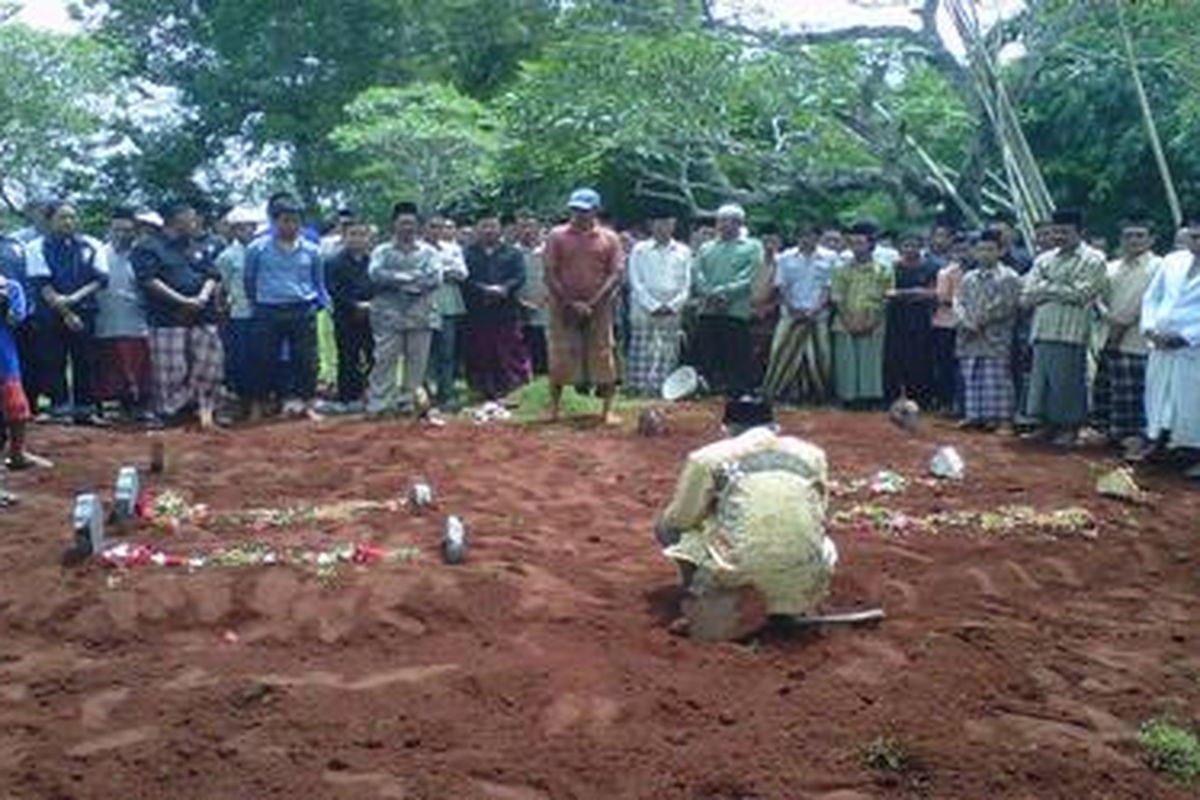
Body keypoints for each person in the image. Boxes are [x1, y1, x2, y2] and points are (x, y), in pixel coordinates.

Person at [654, 396, 836, 641]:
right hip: (804, 578)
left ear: (727, 428)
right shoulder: (813, 455)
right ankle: (793, 602)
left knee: (666, 527)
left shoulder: (707, 458)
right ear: (775, 427)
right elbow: (820, 514)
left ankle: (705, 601)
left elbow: (680, 520)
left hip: (736, 577)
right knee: (822, 541)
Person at [131, 201, 223, 429]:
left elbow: (212, 274)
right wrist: (182, 301)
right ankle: (170, 411)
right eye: (190, 217)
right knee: (172, 368)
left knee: (208, 363)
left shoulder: (199, 245)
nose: (195, 222)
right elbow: (149, 280)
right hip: (167, 317)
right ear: (175, 219)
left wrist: (201, 297)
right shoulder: (148, 247)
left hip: (203, 314)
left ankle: (204, 408)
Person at [1020, 208, 1108, 447]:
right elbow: (1026, 296)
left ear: (1081, 232)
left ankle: (1069, 427)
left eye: (1065, 232)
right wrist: (1061, 288)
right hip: (1042, 328)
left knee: (1067, 382)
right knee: (1042, 381)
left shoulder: (1093, 259)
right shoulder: (1043, 259)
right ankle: (1045, 425)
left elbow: (1083, 294)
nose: (1059, 237)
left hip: (1071, 331)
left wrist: (1047, 288)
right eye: (1056, 231)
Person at [542, 188, 625, 424]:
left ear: (595, 211)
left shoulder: (610, 238)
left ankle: (606, 410)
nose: (578, 215)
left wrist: (592, 303)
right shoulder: (556, 236)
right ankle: (554, 409)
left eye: (584, 211)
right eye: (575, 210)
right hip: (562, 307)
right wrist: (570, 303)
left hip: (599, 308)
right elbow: (549, 272)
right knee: (560, 353)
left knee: (603, 354)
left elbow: (615, 274)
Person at [24, 201, 109, 425]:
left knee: (86, 360)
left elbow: (100, 280)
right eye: (62, 217)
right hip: (50, 313)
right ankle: (59, 407)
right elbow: (42, 284)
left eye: (72, 217)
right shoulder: (35, 246)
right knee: (53, 360)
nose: (68, 222)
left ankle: (86, 409)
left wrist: (74, 299)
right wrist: (66, 312)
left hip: (85, 311)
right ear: (50, 220)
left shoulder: (92, 245)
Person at [244, 195, 328, 421]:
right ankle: (259, 404)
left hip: (302, 309)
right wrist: (259, 302)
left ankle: (307, 403)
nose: (291, 226)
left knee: (307, 360)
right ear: (274, 221)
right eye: (285, 220)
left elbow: (317, 280)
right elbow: (249, 280)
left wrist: (318, 304)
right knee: (262, 359)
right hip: (268, 309)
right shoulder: (256, 249)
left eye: (295, 221)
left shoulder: (312, 250)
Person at [1092, 219, 1161, 457]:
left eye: (1140, 235)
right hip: (1108, 337)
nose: (1133, 240)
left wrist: (1118, 327)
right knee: (1110, 389)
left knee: (1134, 395)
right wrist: (1108, 319)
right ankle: (1112, 433)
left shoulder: (1158, 267)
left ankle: (1136, 438)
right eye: (1128, 236)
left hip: (1137, 341)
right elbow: (1098, 297)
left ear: (1152, 239)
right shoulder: (1111, 267)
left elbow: (1140, 304)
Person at [1139, 216, 1200, 478]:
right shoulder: (1173, 261)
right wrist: (1150, 328)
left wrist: (1186, 336)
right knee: (1160, 398)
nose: (1197, 242)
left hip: (1192, 347)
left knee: (1193, 402)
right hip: (1161, 343)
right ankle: (1160, 443)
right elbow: (1152, 297)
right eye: (1195, 236)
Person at [366, 201, 441, 416]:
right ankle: (380, 404)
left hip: (420, 314)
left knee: (417, 361)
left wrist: (396, 279)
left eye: (411, 223)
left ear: (418, 225)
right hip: (388, 315)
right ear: (394, 225)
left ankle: (409, 403)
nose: (407, 227)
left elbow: (435, 278)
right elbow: (375, 274)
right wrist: (410, 278)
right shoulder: (381, 251)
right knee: (384, 360)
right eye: (403, 223)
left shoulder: (429, 252)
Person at [954, 230, 1023, 431]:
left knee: (997, 378)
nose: (984, 253)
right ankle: (976, 416)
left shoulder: (1008, 277)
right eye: (981, 249)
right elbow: (958, 302)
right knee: (972, 374)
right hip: (968, 335)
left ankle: (1003, 420)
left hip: (995, 335)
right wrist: (965, 321)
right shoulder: (968, 277)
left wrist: (979, 320)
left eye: (990, 249)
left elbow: (1005, 305)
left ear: (1001, 251)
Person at [691, 204, 763, 396]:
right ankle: (709, 387)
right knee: (708, 350)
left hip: (736, 310)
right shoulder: (706, 247)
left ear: (739, 223)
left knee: (736, 352)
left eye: (726, 220)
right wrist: (710, 293)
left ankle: (738, 390)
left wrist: (724, 293)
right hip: (708, 309)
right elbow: (697, 273)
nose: (721, 225)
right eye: (719, 220)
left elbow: (751, 275)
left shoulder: (752, 246)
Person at [762, 223, 836, 403]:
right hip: (791, 314)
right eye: (802, 235)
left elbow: (829, 287)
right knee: (781, 352)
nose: (806, 239)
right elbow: (781, 286)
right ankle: (779, 392)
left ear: (818, 238)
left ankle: (818, 395)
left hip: (818, 315)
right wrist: (793, 308)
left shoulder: (830, 257)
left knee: (820, 356)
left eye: (810, 235)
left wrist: (816, 309)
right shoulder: (785, 257)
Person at [94, 207, 154, 423]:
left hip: (137, 321)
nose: (122, 235)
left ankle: (140, 406)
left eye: (128, 230)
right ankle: (114, 407)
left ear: (135, 232)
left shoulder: (142, 255)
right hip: (106, 320)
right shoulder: (98, 253)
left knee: (139, 366)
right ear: (109, 231)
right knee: (111, 367)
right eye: (117, 230)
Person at [462, 214, 530, 400]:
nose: (488, 230)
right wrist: (483, 289)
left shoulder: (512, 252)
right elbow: (464, 279)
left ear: (499, 229)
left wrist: (505, 288)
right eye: (484, 226)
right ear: (477, 229)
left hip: (506, 308)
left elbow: (520, 276)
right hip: (478, 309)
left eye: (492, 226)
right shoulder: (467, 252)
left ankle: (510, 386)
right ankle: (480, 387)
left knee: (508, 348)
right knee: (480, 349)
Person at [625, 208, 691, 396]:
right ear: (651, 225)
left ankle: (664, 387)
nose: (663, 227)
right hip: (644, 307)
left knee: (668, 349)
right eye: (659, 223)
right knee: (643, 347)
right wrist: (653, 305)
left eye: (667, 222)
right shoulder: (639, 249)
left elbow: (687, 283)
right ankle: (639, 386)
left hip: (672, 308)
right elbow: (635, 280)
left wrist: (672, 305)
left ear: (674, 225)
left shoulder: (683, 251)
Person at [829, 221, 893, 408]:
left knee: (870, 359)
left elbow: (886, 298)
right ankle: (848, 398)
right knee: (846, 359)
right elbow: (837, 298)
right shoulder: (841, 269)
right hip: (845, 319)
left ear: (871, 245)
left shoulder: (884, 269)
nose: (856, 248)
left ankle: (869, 398)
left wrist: (871, 322)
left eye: (860, 243)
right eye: (853, 243)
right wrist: (848, 321)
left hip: (874, 320)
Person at [213, 207, 263, 416]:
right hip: (240, 313)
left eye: (251, 227)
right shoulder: (226, 256)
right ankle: (245, 401)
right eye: (242, 228)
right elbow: (221, 286)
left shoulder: (264, 250)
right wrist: (222, 309)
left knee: (263, 357)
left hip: (265, 312)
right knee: (242, 359)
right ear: (234, 231)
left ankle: (263, 399)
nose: (248, 232)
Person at [883, 231, 939, 406]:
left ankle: (921, 398)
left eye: (914, 245)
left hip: (921, 319)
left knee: (920, 359)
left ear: (921, 247)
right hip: (895, 319)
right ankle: (892, 398)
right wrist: (914, 293)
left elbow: (933, 293)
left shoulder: (931, 267)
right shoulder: (892, 267)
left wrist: (903, 294)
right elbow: (886, 291)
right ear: (899, 248)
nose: (909, 249)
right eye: (906, 246)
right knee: (894, 359)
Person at [325, 217, 375, 411]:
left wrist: (371, 304)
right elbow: (333, 290)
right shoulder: (333, 262)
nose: (358, 239)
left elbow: (379, 285)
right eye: (353, 234)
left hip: (372, 315)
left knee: (374, 355)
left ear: (369, 238)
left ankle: (372, 393)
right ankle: (348, 397)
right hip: (346, 316)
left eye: (362, 234)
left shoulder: (373, 261)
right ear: (344, 237)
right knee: (348, 356)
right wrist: (355, 305)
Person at [426, 215, 468, 411]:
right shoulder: (417, 250)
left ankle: (446, 394)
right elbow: (422, 275)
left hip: (448, 306)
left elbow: (462, 273)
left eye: (439, 227)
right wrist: (445, 272)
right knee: (423, 354)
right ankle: (423, 395)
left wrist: (439, 273)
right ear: (424, 228)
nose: (436, 230)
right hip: (422, 307)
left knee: (447, 353)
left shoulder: (453, 248)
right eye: (432, 226)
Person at [0, 270, 36, 469]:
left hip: (4, 358)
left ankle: (17, 455)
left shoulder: (11, 287)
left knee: (17, 409)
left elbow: (16, 319)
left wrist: (4, 301)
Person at [515, 212, 548, 376]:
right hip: (519, 306)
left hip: (545, 305)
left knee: (544, 345)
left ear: (538, 228)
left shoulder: (548, 251)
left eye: (531, 226)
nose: (527, 230)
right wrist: (521, 302)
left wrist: (544, 299)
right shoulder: (512, 252)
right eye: (523, 226)